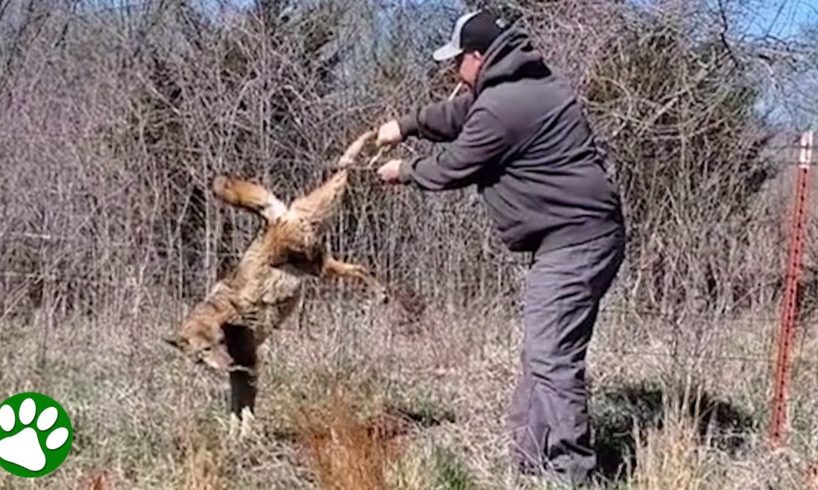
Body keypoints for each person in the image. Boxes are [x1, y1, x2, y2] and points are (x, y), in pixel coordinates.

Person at [374, 9, 627, 487]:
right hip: (582, 236)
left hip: (576, 240)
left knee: (552, 355)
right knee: (543, 351)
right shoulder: (525, 87)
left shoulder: (503, 105)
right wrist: (405, 125)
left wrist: (403, 170)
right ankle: (530, 462)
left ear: (477, 56)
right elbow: (457, 115)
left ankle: (574, 473)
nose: (453, 72)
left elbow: (454, 165)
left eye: (456, 62)